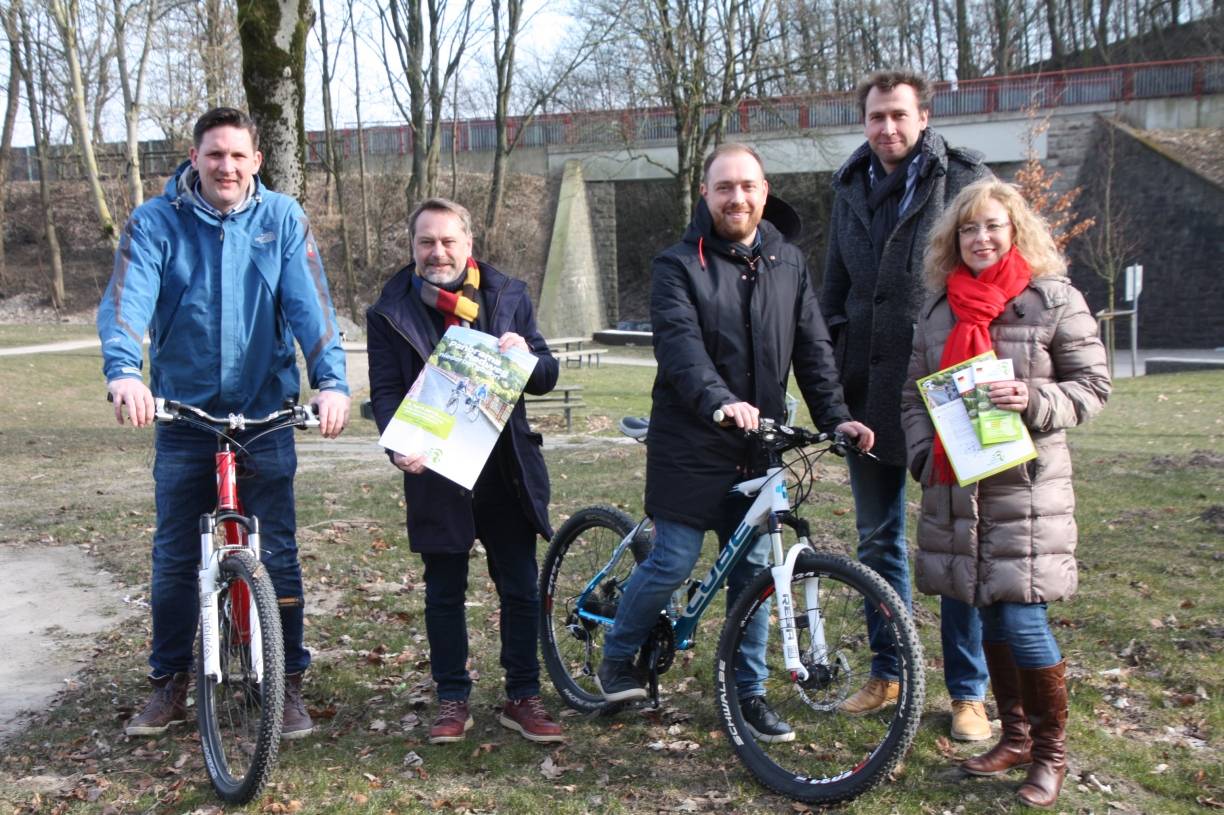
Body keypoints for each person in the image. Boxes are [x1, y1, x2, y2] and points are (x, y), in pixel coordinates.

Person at [596, 144, 873, 743]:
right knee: (671, 558)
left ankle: (746, 694)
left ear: (765, 191)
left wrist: (837, 417)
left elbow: (813, 349)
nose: (736, 198)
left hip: (759, 443)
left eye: (747, 186)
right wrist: (718, 399)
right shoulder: (677, 264)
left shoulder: (788, 262)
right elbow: (679, 346)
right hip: (690, 436)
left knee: (754, 574)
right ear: (706, 194)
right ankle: (617, 653)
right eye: (724, 188)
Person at [98, 107, 351, 740]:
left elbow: (309, 303)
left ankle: (285, 681)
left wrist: (332, 381)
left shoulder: (282, 219)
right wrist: (125, 370)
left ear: (256, 161)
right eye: (215, 155)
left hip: (264, 411)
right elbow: (128, 300)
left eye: (239, 155)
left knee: (280, 554)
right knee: (177, 556)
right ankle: (169, 683)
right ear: (195, 157)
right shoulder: (157, 221)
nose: (227, 167)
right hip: (186, 412)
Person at [901, 179, 1110, 809]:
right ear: (953, 240)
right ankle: (1014, 736)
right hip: (959, 491)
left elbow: (1094, 386)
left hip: (1027, 491)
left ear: (1015, 231)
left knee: (1022, 616)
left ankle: (1050, 753)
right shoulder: (939, 310)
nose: (981, 238)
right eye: (969, 229)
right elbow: (914, 395)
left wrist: (1037, 400)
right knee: (988, 612)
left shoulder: (1052, 301)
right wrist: (919, 452)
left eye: (993, 226)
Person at [821, 69, 994, 740]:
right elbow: (833, 291)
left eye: (898, 115)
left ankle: (968, 691)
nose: (887, 128)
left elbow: (996, 270)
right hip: (868, 390)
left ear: (923, 117)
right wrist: (834, 378)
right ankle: (888, 668)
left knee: (959, 541)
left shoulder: (967, 177)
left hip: (952, 382)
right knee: (876, 539)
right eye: (875, 117)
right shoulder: (848, 188)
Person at [366, 197, 564, 745]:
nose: (437, 252)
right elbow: (385, 389)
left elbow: (545, 373)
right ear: (412, 248)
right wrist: (395, 444)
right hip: (437, 470)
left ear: (468, 245)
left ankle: (522, 694)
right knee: (443, 591)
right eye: (426, 242)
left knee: (521, 588)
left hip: (505, 469)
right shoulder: (389, 308)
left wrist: (525, 355)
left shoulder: (508, 294)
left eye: (448, 241)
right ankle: (452, 699)